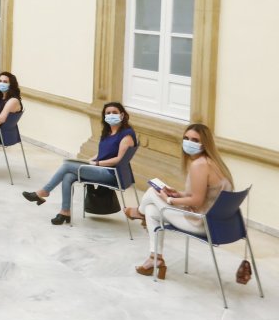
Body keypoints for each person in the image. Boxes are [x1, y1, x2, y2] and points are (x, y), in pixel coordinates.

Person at [125, 123, 233, 279]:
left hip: (202, 223)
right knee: (152, 211)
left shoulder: (199, 165)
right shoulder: (214, 162)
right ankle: (155, 258)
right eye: (186, 138)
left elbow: (196, 201)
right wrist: (178, 194)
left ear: (205, 143)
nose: (189, 143)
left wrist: (168, 199)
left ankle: (138, 212)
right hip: (217, 222)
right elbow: (202, 196)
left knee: (152, 191)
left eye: (195, 140)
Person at [22, 102, 136, 225]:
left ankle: (44, 192)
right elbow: (100, 153)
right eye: (108, 113)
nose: (111, 115)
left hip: (113, 174)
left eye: (114, 112)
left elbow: (118, 159)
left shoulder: (126, 134)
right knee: (68, 176)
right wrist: (88, 162)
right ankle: (64, 212)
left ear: (122, 115)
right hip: (103, 170)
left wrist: (96, 164)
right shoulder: (107, 133)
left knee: (67, 165)